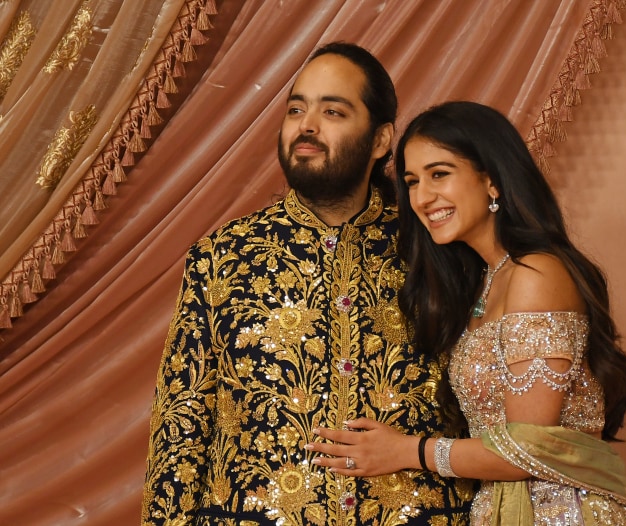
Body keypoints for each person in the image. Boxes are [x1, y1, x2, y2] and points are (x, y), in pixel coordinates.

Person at [141, 45, 475, 525]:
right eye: (296, 109)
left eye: (333, 111)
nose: (307, 126)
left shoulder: (438, 250)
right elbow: (181, 429)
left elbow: (491, 411)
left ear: (381, 140)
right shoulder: (222, 257)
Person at [306, 101, 626, 525]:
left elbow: (530, 447)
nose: (423, 197)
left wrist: (407, 451)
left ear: (492, 181)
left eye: (440, 174)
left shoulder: (537, 272)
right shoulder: (487, 281)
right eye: (411, 181)